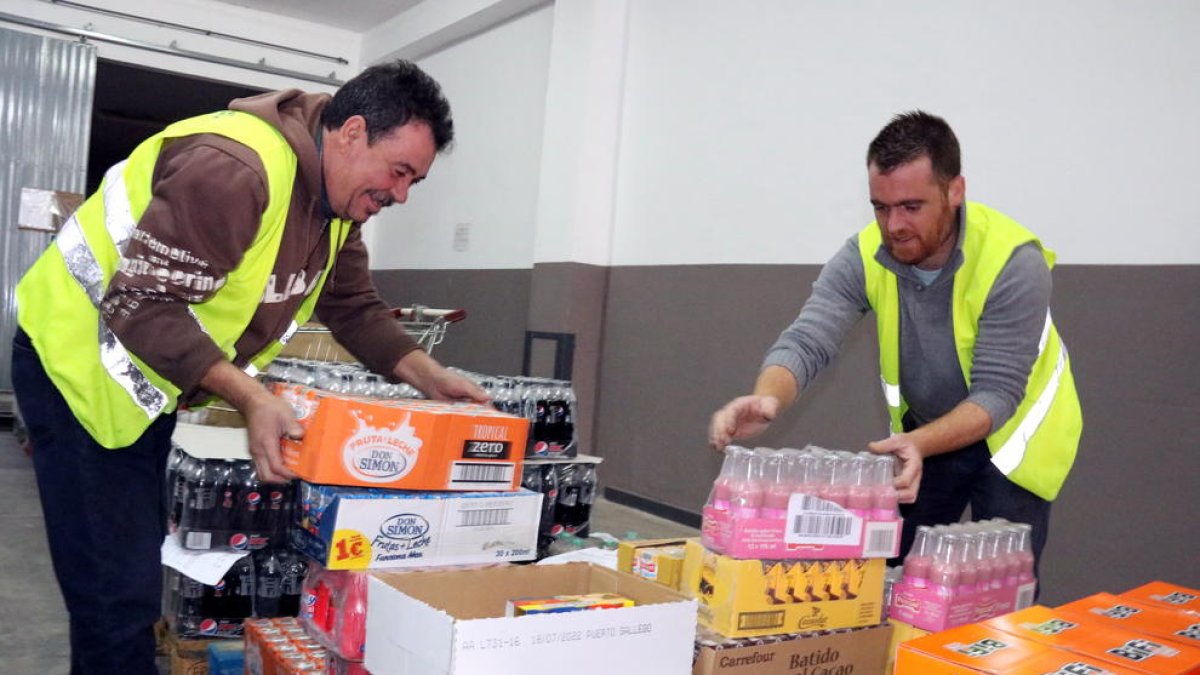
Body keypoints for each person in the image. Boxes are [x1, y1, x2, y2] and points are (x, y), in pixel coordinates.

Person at [11, 60, 486, 674]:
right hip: (76, 366)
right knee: (114, 595)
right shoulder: (236, 169)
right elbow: (144, 301)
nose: (398, 194)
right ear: (352, 133)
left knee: (128, 569)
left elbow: (352, 306)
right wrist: (252, 398)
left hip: (144, 382)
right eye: (398, 173)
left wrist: (429, 375)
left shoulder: (334, 207)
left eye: (412, 182)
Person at [709, 111, 1082, 576]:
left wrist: (920, 442)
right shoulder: (865, 254)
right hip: (928, 436)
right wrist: (768, 397)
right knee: (895, 574)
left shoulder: (1013, 261)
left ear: (955, 191)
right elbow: (808, 338)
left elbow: (997, 394)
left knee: (996, 594)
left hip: (1014, 443)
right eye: (881, 208)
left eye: (911, 206)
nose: (894, 225)